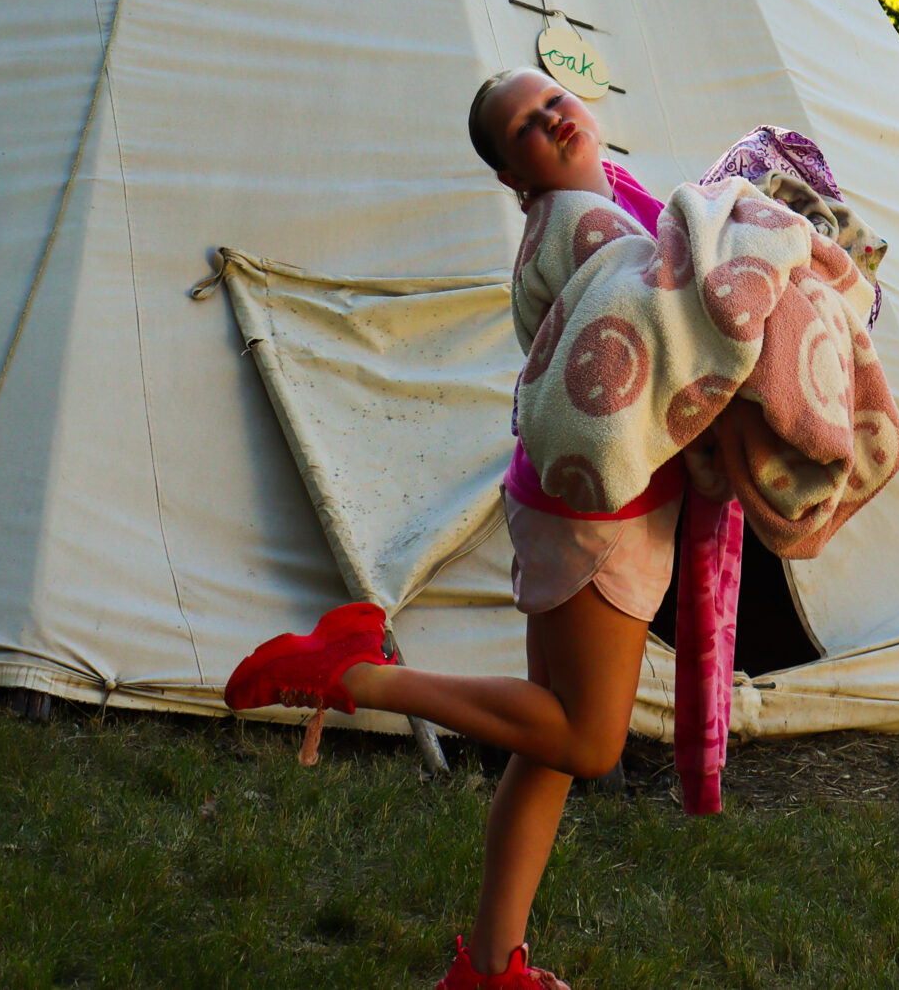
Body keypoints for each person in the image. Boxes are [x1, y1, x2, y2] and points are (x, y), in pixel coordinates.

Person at [225, 68, 676, 990]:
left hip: (559, 497)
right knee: (587, 742)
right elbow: (678, 324)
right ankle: (353, 672)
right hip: (597, 513)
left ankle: (491, 965)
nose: (553, 118)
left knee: (546, 745)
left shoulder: (585, 209)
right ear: (517, 176)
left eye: (555, 101)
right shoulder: (586, 223)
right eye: (526, 128)